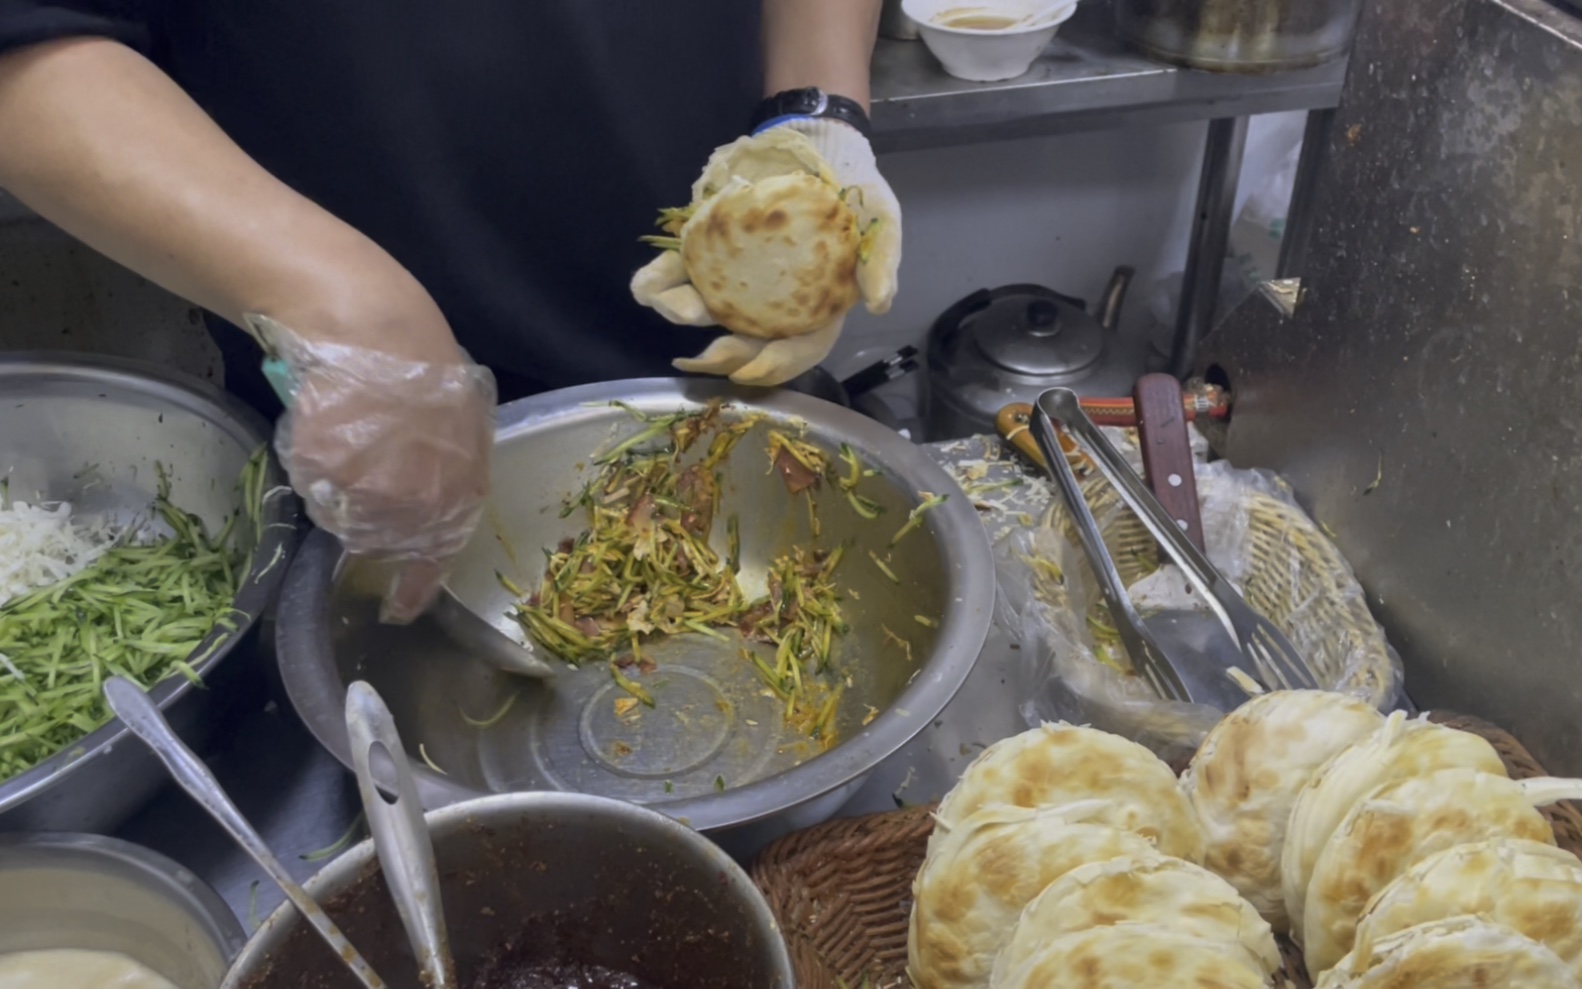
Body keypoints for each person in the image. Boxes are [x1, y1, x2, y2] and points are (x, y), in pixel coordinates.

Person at [0, 1, 903, 622]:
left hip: (722, 348)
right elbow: (31, 40)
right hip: (383, 420)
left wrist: (812, 115)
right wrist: (335, 296)